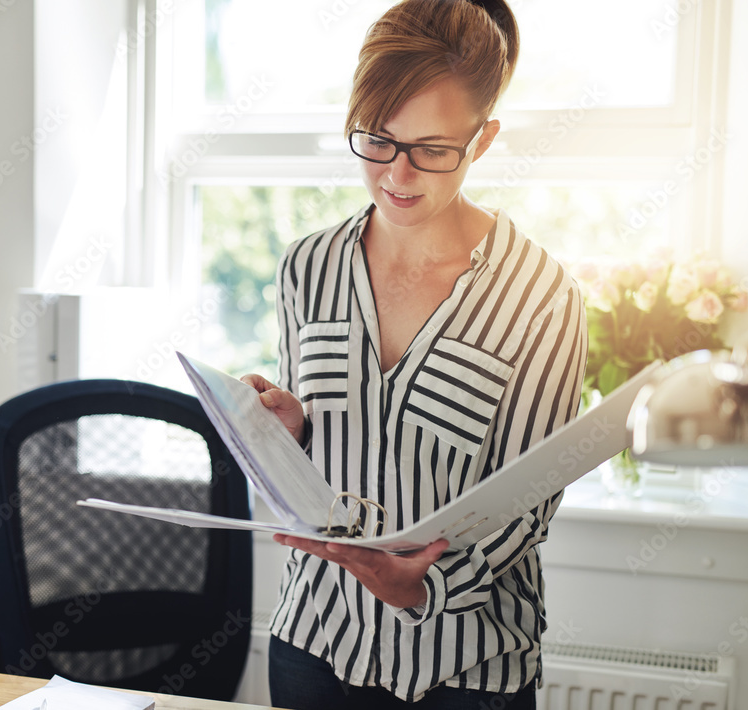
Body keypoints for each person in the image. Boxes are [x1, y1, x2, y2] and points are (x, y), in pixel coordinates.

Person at [240, 0, 588, 708]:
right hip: (315, 643)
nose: (398, 174)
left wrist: (426, 584)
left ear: (482, 140)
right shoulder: (309, 267)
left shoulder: (541, 293)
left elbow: (529, 502)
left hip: (466, 669)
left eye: (432, 149)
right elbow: (321, 453)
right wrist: (286, 435)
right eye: (378, 140)